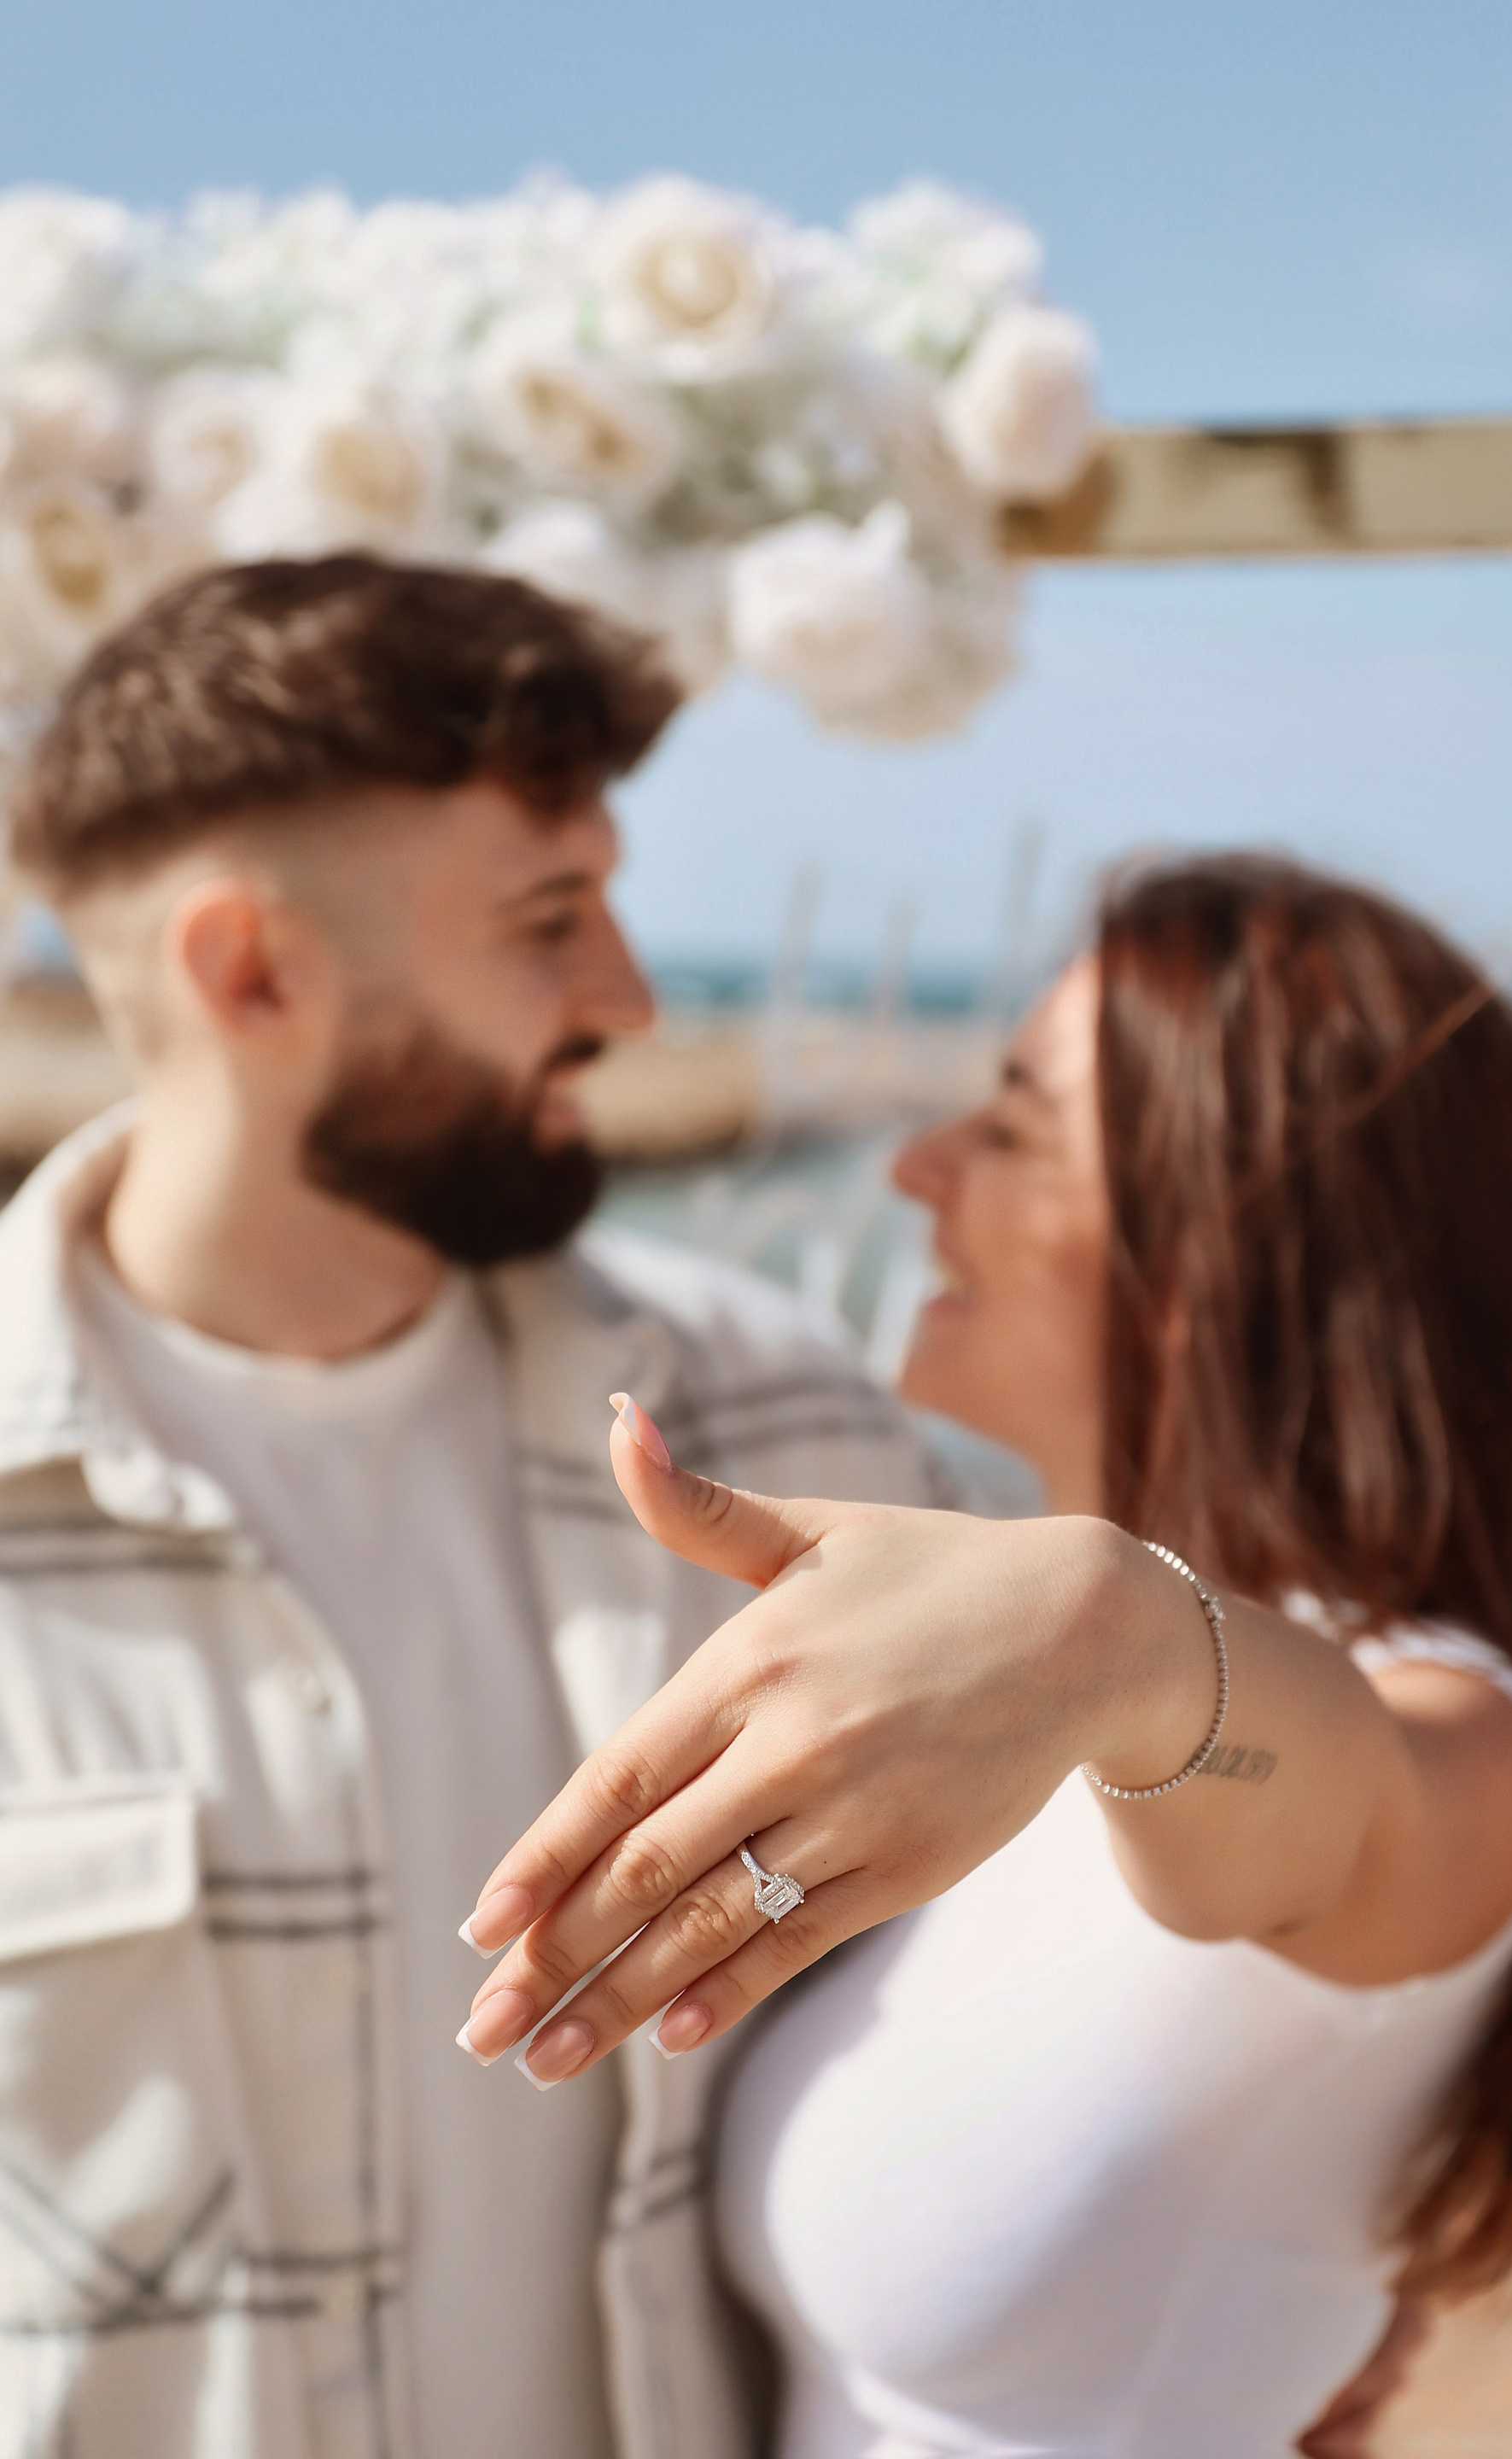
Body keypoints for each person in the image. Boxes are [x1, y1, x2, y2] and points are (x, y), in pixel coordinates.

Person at [463, 856, 1512, 2458]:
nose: (917, 1167)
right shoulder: (1010, 1705)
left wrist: (1113, 1628)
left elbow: (1337, 1783)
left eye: (1013, 1129)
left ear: (1227, 1242)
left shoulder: (1460, 1741)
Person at [0, 556, 970, 2459]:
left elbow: (1039, 1997)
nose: (628, 997)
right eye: (549, 919)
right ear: (250, 973)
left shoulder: (789, 1433)